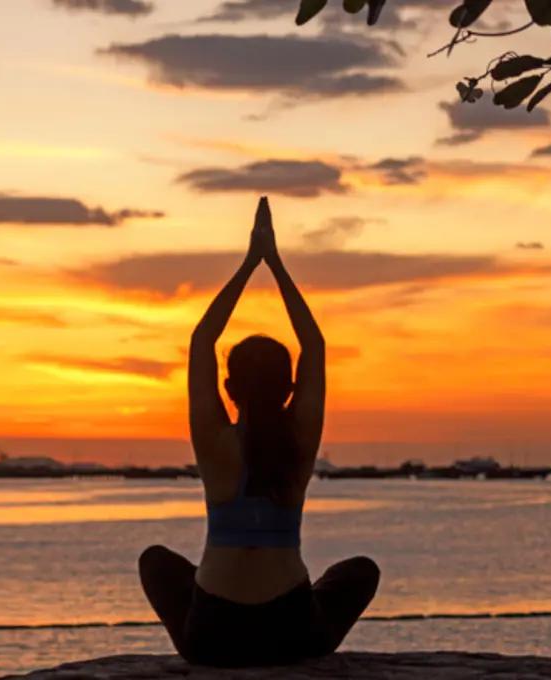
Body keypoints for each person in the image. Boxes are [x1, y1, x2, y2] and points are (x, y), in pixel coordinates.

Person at [137, 196, 380, 667]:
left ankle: (196, 641)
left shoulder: (214, 442)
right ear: (290, 388)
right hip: (292, 632)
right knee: (360, 571)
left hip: (212, 636)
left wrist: (250, 262)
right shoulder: (301, 439)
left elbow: (201, 339)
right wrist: (276, 263)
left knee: (155, 560)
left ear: (228, 388)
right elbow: (314, 342)